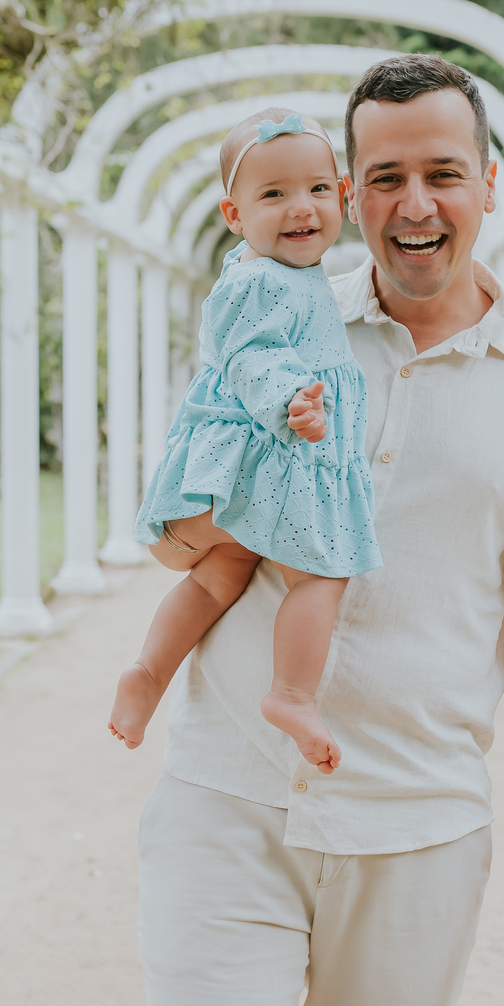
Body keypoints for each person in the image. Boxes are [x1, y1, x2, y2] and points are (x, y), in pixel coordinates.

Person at [130, 53, 504, 1006]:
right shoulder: (279, 322)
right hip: (229, 800)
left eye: (443, 173)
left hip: (419, 823)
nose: (415, 204)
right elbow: (174, 532)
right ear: (348, 192)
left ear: (488, 183)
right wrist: (230, 487)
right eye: (386, 175)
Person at [108, 107, 380, 774]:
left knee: (218, 579)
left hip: (254, 468)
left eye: (318, 190)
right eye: (273, 194)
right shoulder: (257, 280)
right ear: (235, 216)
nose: (300, 209)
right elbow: (252, 355)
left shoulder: (292, 275)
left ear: (343, 198)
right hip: (264, 460)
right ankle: (291, 694)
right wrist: (292, 401)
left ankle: (148, 672)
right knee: (323, 572)